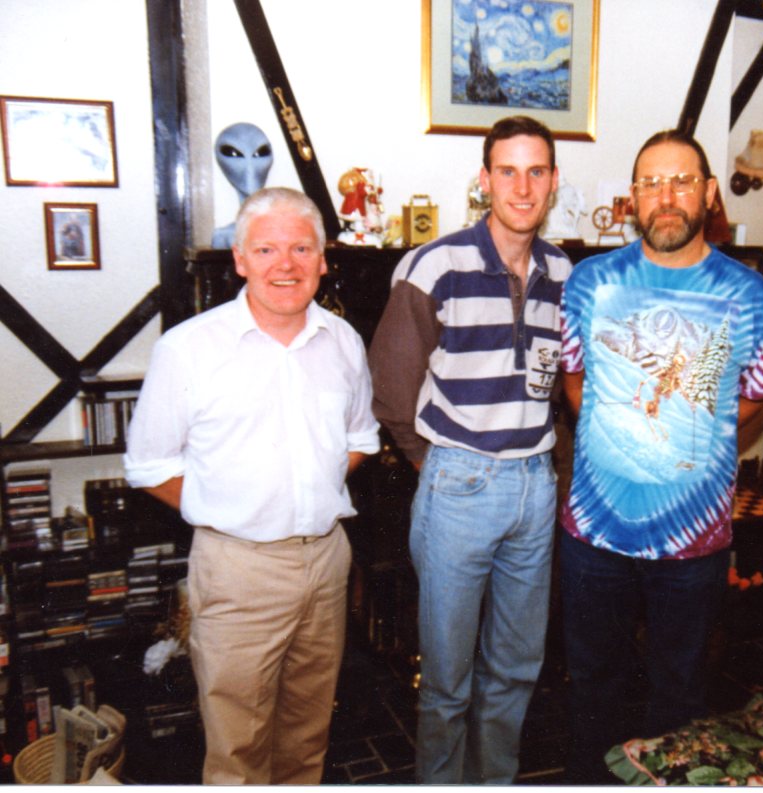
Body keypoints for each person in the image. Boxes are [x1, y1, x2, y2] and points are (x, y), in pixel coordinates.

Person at [123, 187, 380, 784]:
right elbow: (149, 467)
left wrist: (303, 491)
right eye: (265, 249)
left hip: (326, 562)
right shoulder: (188, 349)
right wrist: (233, 509)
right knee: (237, 750)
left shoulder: (343, 341)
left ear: (323, 259)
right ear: (240, 259)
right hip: (237, 571)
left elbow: (360, 439)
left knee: (307, 737)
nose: (284, 265)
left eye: (301, 249)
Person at [558, 129, 763, 783]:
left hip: (694, 544)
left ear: (708, 193)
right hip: (594, 536)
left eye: (681, 181)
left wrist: (694, 431)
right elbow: (575, 381)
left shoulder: (753, 296)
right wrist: (625, 427)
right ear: (633, 196)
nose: (666, 196)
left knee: (680, 696)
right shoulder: (588, 282)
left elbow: (753, 397)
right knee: (591, 688)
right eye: (651, 182)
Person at [367, 115, 571, 784]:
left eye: (535, 172)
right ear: (484, 180)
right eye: (507, 171)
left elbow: (562, 386)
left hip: (534, 488)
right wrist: (434, 463)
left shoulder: (564, 272)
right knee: (448, 678)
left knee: (516, 668)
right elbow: (391, 387)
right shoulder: (434, 265)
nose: (522, 187)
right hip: (459, 483)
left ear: (553, 181)